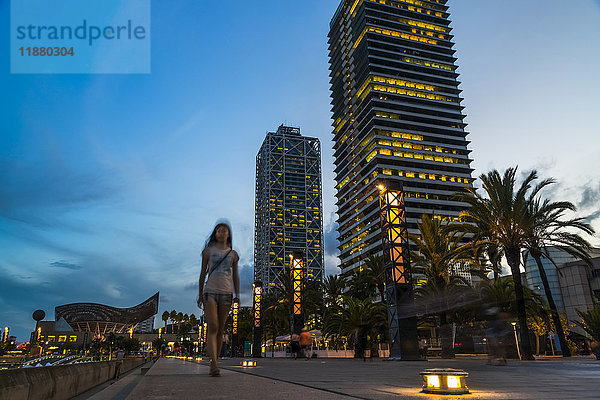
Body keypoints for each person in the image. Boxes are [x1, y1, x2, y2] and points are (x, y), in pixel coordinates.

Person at [197, 221, 240, 376]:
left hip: (226, 293)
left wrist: (237, 295)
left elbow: (235, 276)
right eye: (219, 230)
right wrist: (200, 292)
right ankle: (213, 364)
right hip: (210, 292)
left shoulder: (233, 254)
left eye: (224, 230)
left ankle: (215, 360)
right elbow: (203, 273)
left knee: (221, 329)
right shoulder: (208, 251)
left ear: (228, 234)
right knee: (213, 326)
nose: (221, 233)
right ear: (215, 234)